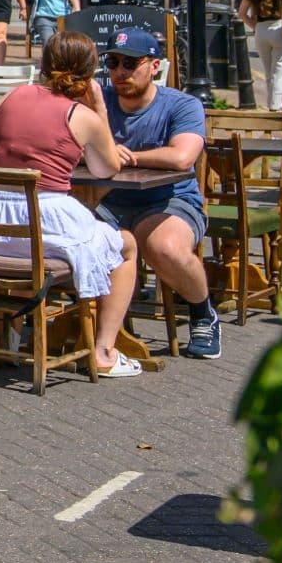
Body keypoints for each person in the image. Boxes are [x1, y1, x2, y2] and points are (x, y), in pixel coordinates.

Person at [0, 30, 143, 377]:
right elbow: (106, 167)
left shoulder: (12, 98)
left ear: (44, 65)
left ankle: (8, 338)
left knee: (26, 248)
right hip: (45, 220)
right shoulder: (81, 116)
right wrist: (100, 110)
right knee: (126, 246)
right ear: (89, 73)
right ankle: (104, 351)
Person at [95, 26, 220, 360]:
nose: (120, 72)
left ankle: (202, 312)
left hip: (170, 200)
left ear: (154, 66)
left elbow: (182, 156)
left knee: (162, 247)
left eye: (130, 63)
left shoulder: (182, 105)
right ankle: (89, 329)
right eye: (113, 63)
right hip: (108, 202)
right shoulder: (99, 101)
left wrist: (128, 156)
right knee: (75, 239)